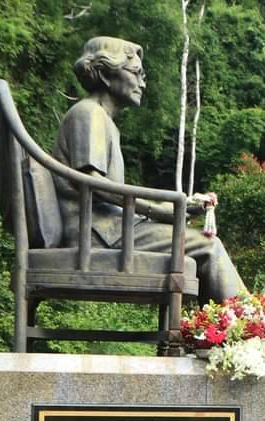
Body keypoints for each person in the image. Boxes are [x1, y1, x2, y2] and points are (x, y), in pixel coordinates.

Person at [53, 36, 245, 303]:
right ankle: (252, 330)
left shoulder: (102, 119)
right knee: (208, 247)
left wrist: (180, 206)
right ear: (107, 76)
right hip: (97, 235)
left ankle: (220, 333)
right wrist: (159, 209)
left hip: (111, 229)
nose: (142, 82)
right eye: (136, 72)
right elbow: (94, 183)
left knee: (201, 244)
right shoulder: (88, 114)